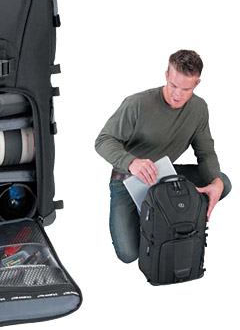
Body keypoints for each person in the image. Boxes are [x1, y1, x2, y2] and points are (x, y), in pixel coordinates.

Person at [95, 50, 231, 264]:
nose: (178, 95)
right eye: (173, 85)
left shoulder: (199, 108)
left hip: (164, 175)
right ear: (167, 75)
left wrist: (215, 182)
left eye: (186, 89)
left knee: (223, 183)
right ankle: (154, 215)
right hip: (128, 180)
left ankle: (171, 218)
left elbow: (205, 153)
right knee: (128, 254)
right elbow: (103, 140)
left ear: (197, 84)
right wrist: (132, 162)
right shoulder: (137, 103)